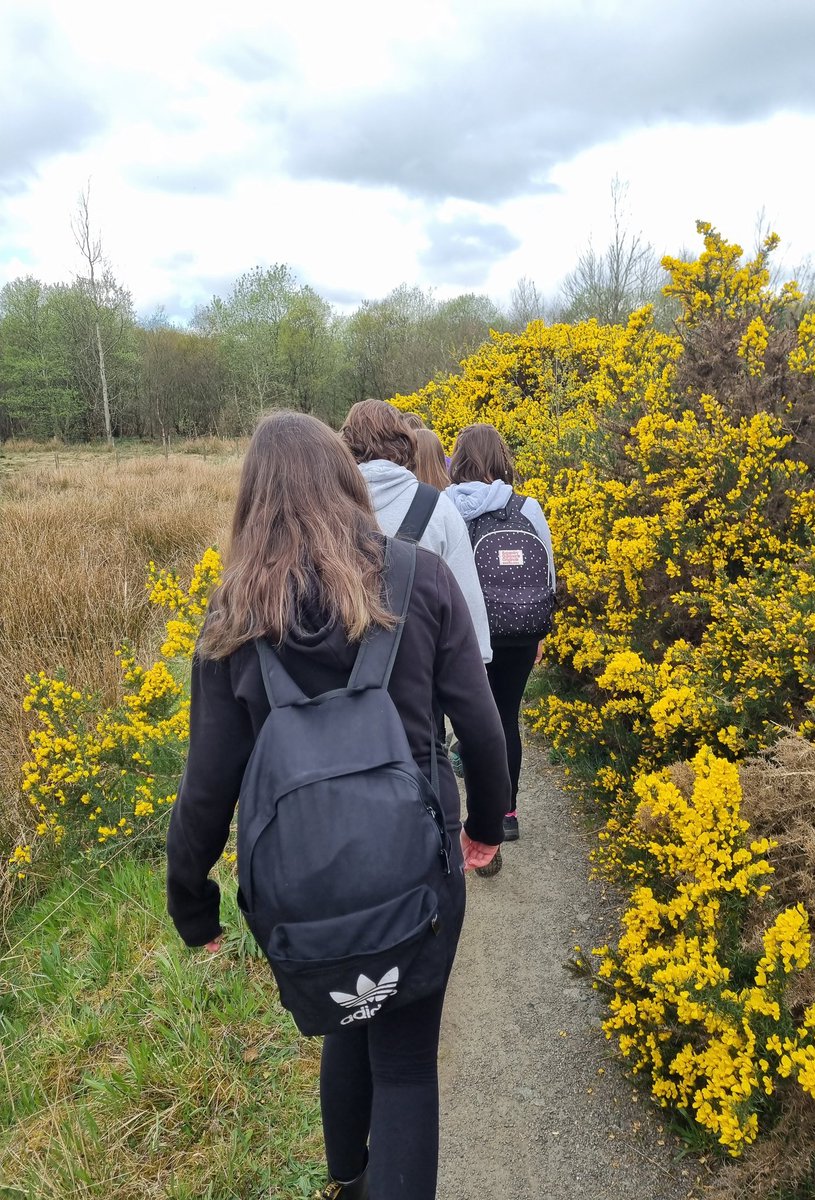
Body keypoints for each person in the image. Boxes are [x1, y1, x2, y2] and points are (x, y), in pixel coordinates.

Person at [166, 412, 509, 1200]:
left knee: (348, 1027)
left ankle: (348, 1182)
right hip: (418, 870)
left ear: (252, 502)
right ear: (349, 482)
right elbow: (483, 730)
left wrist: (195, 906)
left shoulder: (234, 615)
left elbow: (206, 785)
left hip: (307, 889)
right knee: (405, 1065)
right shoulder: (421, 577)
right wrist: (486, 829)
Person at [446, 423, 556, 843]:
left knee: (474, 721)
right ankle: (507, 813)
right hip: (520, 631)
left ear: (459, 459)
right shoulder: (527, 508)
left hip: (467, 635)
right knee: (506, 717)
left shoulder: (444, 506)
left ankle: (480, 814)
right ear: (501, 458)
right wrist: (541, 630)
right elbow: (547, 571)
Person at [340, 400, 491, 664]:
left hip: (342, 676)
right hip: (419, 673)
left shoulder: (324, 509)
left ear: (346, 446)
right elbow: (467, 605)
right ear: (406, 443)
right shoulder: (439, 509)